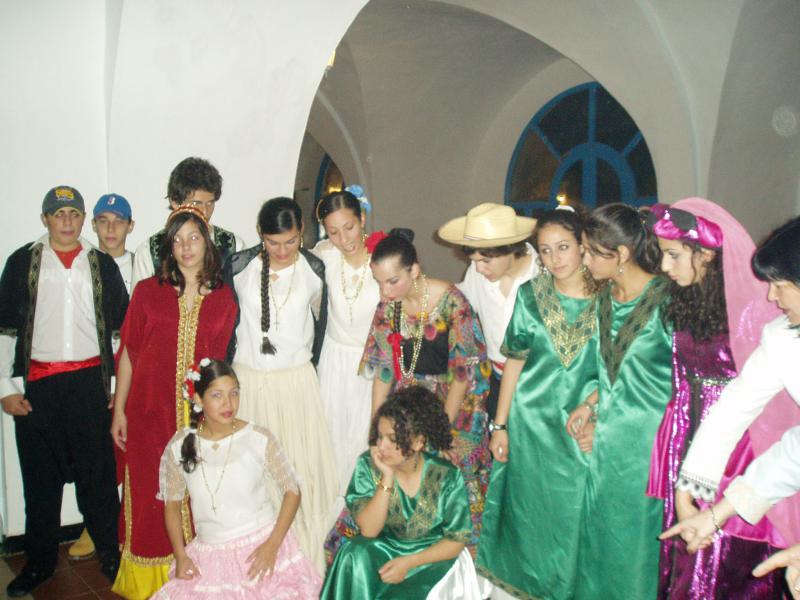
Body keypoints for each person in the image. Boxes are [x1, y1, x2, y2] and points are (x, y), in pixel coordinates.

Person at [645, 198, 786, 598]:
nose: (665, 266)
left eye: (674, 255)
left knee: (722, 559)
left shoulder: (752, 313)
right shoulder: (686, 302)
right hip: (690, 433)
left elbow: (761, 403)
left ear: (705, 254)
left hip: (736, 449)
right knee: (686, 554)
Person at [0, 186, 128, 597]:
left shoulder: (101, 265)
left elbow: (119, 333)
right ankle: (39, 563)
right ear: (46, 219)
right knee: (40, 481)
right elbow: (5, 330)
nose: (67, 221)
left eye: (74, 213)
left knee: (98, 478)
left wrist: (115, 388)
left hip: (90, 386)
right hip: (39, 387)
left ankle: (110, 555)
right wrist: (4, 388)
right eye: (59, 214)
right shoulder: (22, 262)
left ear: (83, 218)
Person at [110, 205, 237, 599]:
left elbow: (222, 362)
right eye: (177, 240)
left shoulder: (224, 298)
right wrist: (119, 409)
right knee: (149, 494)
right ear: (168, 246)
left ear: (207, 243)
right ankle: (150, 584)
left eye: (193, 238)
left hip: (199, 419)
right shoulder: (148, 292)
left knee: (201, 495)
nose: (186, 247)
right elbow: (128, 353)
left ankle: (198, 581)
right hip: (148, 412)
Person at [476, 207, 599, 599]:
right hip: (530, 423)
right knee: (530, 516)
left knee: (576, 514)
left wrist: (596, 411)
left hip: (578, 426)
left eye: (563, 247)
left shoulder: (609, 297)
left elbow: (620, 369)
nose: (554, 258)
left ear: (583, 246)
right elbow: (515, 361)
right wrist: (500, 425)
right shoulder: (531, 294)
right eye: (545, 250)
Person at [353, 228, 492, 546]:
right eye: (379, 283)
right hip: (408, 406)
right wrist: (378, 426)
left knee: (452, 485)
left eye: (392, 281)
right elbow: (384, 372)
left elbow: (462, 375)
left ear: (414, 270)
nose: (385, 291)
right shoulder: (388, 308)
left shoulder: (453, 303)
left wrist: (438, 430)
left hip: (455, 409)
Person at [224, 197, 337, 572]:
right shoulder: (239, 266)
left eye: (291, 241)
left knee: (299, 470)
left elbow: (322, 328)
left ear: (301, 231)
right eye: (274, 243)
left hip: (295, 387)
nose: (283, 251)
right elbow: (226, 324)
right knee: (254, 476)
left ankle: (301, 563)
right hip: (250, 384)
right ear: (260, 234)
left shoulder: (314, 269)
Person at [566, 203, 672, 599]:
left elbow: (680, 384)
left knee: (636, 545)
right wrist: (591, 404)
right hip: (607, 442)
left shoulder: (668, 301)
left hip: (647, 446)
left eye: (592, 252)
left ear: (622, 253)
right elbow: (614, 371)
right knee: (599, 538)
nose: (584, 261)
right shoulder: (605, 297)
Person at [152, 359, 321, 599]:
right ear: (198, 399)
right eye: (217, 395)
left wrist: (272, 545)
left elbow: (292, 491)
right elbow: (172, 506)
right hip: (210, 556)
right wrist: (180, 556)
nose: (228, 403)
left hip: (260, 548)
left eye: (234, 393)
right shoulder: (180, 446)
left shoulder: (257, 438)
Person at [321, 386, 483, 600]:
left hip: (433, 559)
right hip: (386, 550)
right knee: (353, 553)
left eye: (392, 439)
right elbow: (369, 530)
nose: (382, 446)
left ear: (418, 442)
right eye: (380, 437)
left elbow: (456, 541)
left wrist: (409, 563)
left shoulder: (447, 475)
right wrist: (387, 477)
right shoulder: (369, 466)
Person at [65, 192, 137, 563]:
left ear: (130, 226)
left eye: (118, 221)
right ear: (93, 225)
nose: (111, 229)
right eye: (103, 221)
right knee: (98, 454)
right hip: (96, 373)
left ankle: (132, 524)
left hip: (135, 370)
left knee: (133, 450)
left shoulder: (142, 265)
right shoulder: (82, 265)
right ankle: (95, 525)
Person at [437, 202, 539, 422]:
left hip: (537, 386)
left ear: (510, 248)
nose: (479, 268)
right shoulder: (478, 273)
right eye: (474, 261)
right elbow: (458, 301)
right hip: (496, 380)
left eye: (485, 260)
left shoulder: (542, 274)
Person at [313, 187, 381, 495]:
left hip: (370, 364)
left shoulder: (382, 258)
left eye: (349, 227)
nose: (344, 239)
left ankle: (362, 505)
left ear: (362, 219)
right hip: (333, 361)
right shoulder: (324, 256)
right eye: (334, 232)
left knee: (364, 435)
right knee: (331, 435)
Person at [131, 156, 243, 288]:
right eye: (196, 203)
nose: (204, 211)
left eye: (210, 203)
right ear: (175, 202)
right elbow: (140, 299)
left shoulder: (233, 246)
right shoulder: (149, 252)